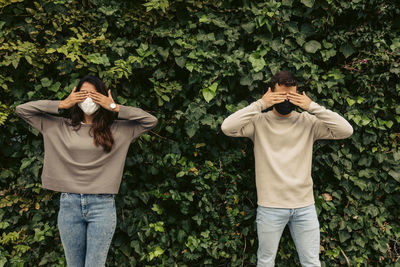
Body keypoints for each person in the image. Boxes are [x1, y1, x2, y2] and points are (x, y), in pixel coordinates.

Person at [16, 75, 158, 267]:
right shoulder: (58, 127)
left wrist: (114, 107)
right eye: (84, 94)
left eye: (94, 94)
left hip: (102, 206)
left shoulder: (118, 130)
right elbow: (22, 110)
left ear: (103, 97)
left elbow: (150, 121)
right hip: (70, 204)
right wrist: (62, 104)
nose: (89, 99)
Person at [221, 70, 353, 267]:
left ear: (298, 94)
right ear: (270, 93)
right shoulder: (259, 122)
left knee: (311, 262)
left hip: (304, 206)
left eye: (291, 95)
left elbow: (346, 130)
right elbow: (227, 127)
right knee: (265, 262)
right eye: (281, 95)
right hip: (270, 207)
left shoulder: (307, 122)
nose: (286, 100)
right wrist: (260, 104)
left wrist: (312, 107)